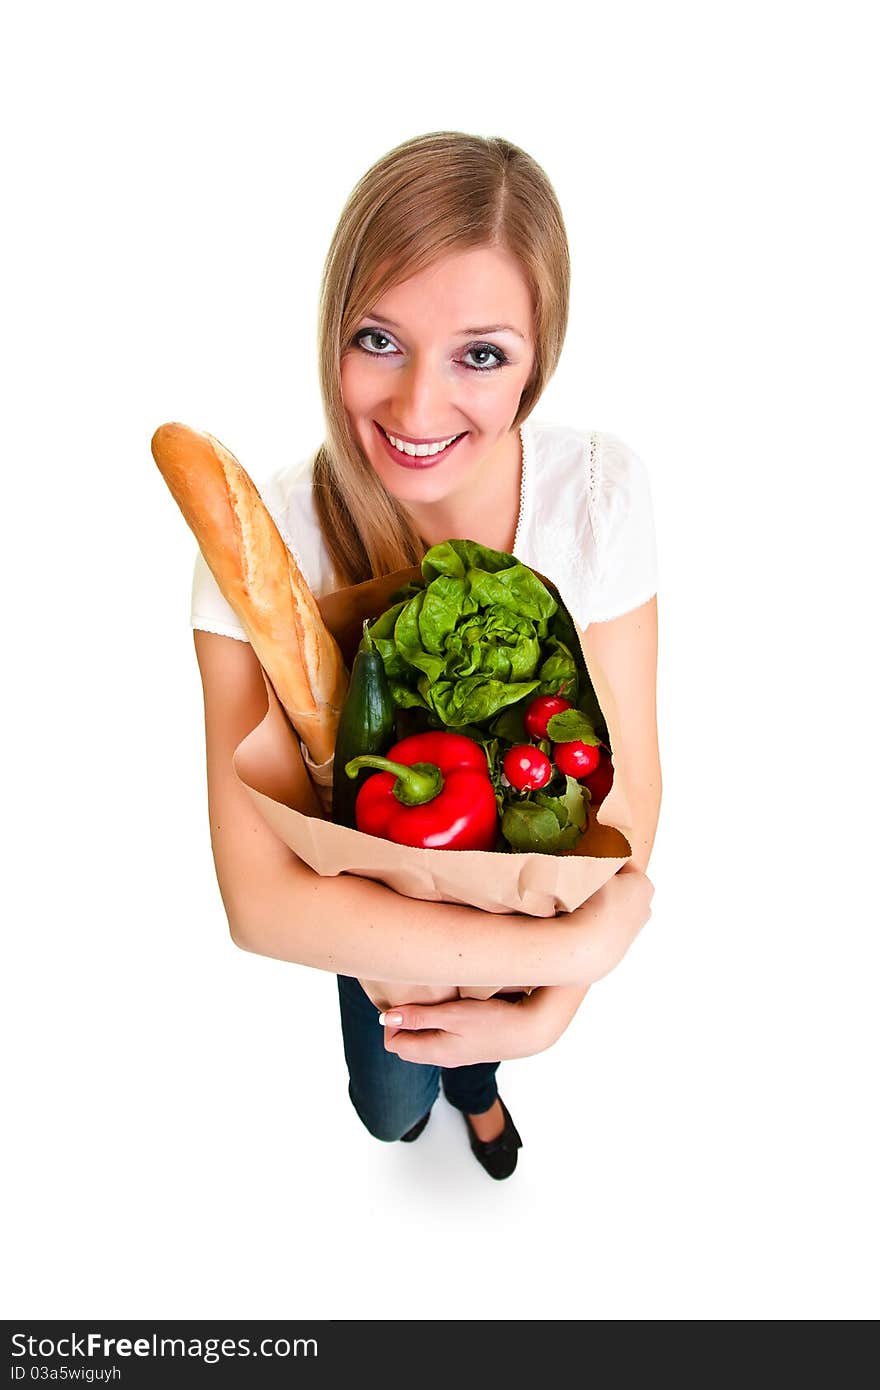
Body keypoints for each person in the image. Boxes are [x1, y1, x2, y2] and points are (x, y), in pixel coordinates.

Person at [189, 130, 661, 1180]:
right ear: (331, 334)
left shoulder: (597, 498)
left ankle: (484, 1091)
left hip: (526, 889)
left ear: (539, 360)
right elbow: (258, 904)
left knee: (486, 1051)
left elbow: (632, 794)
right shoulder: (267, 538)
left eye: (480, 353)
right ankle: (438, 1107)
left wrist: (547, 1007)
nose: (413, 408)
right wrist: (581, 951)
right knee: (387, 1102)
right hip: (370, 953)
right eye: (378, 339)